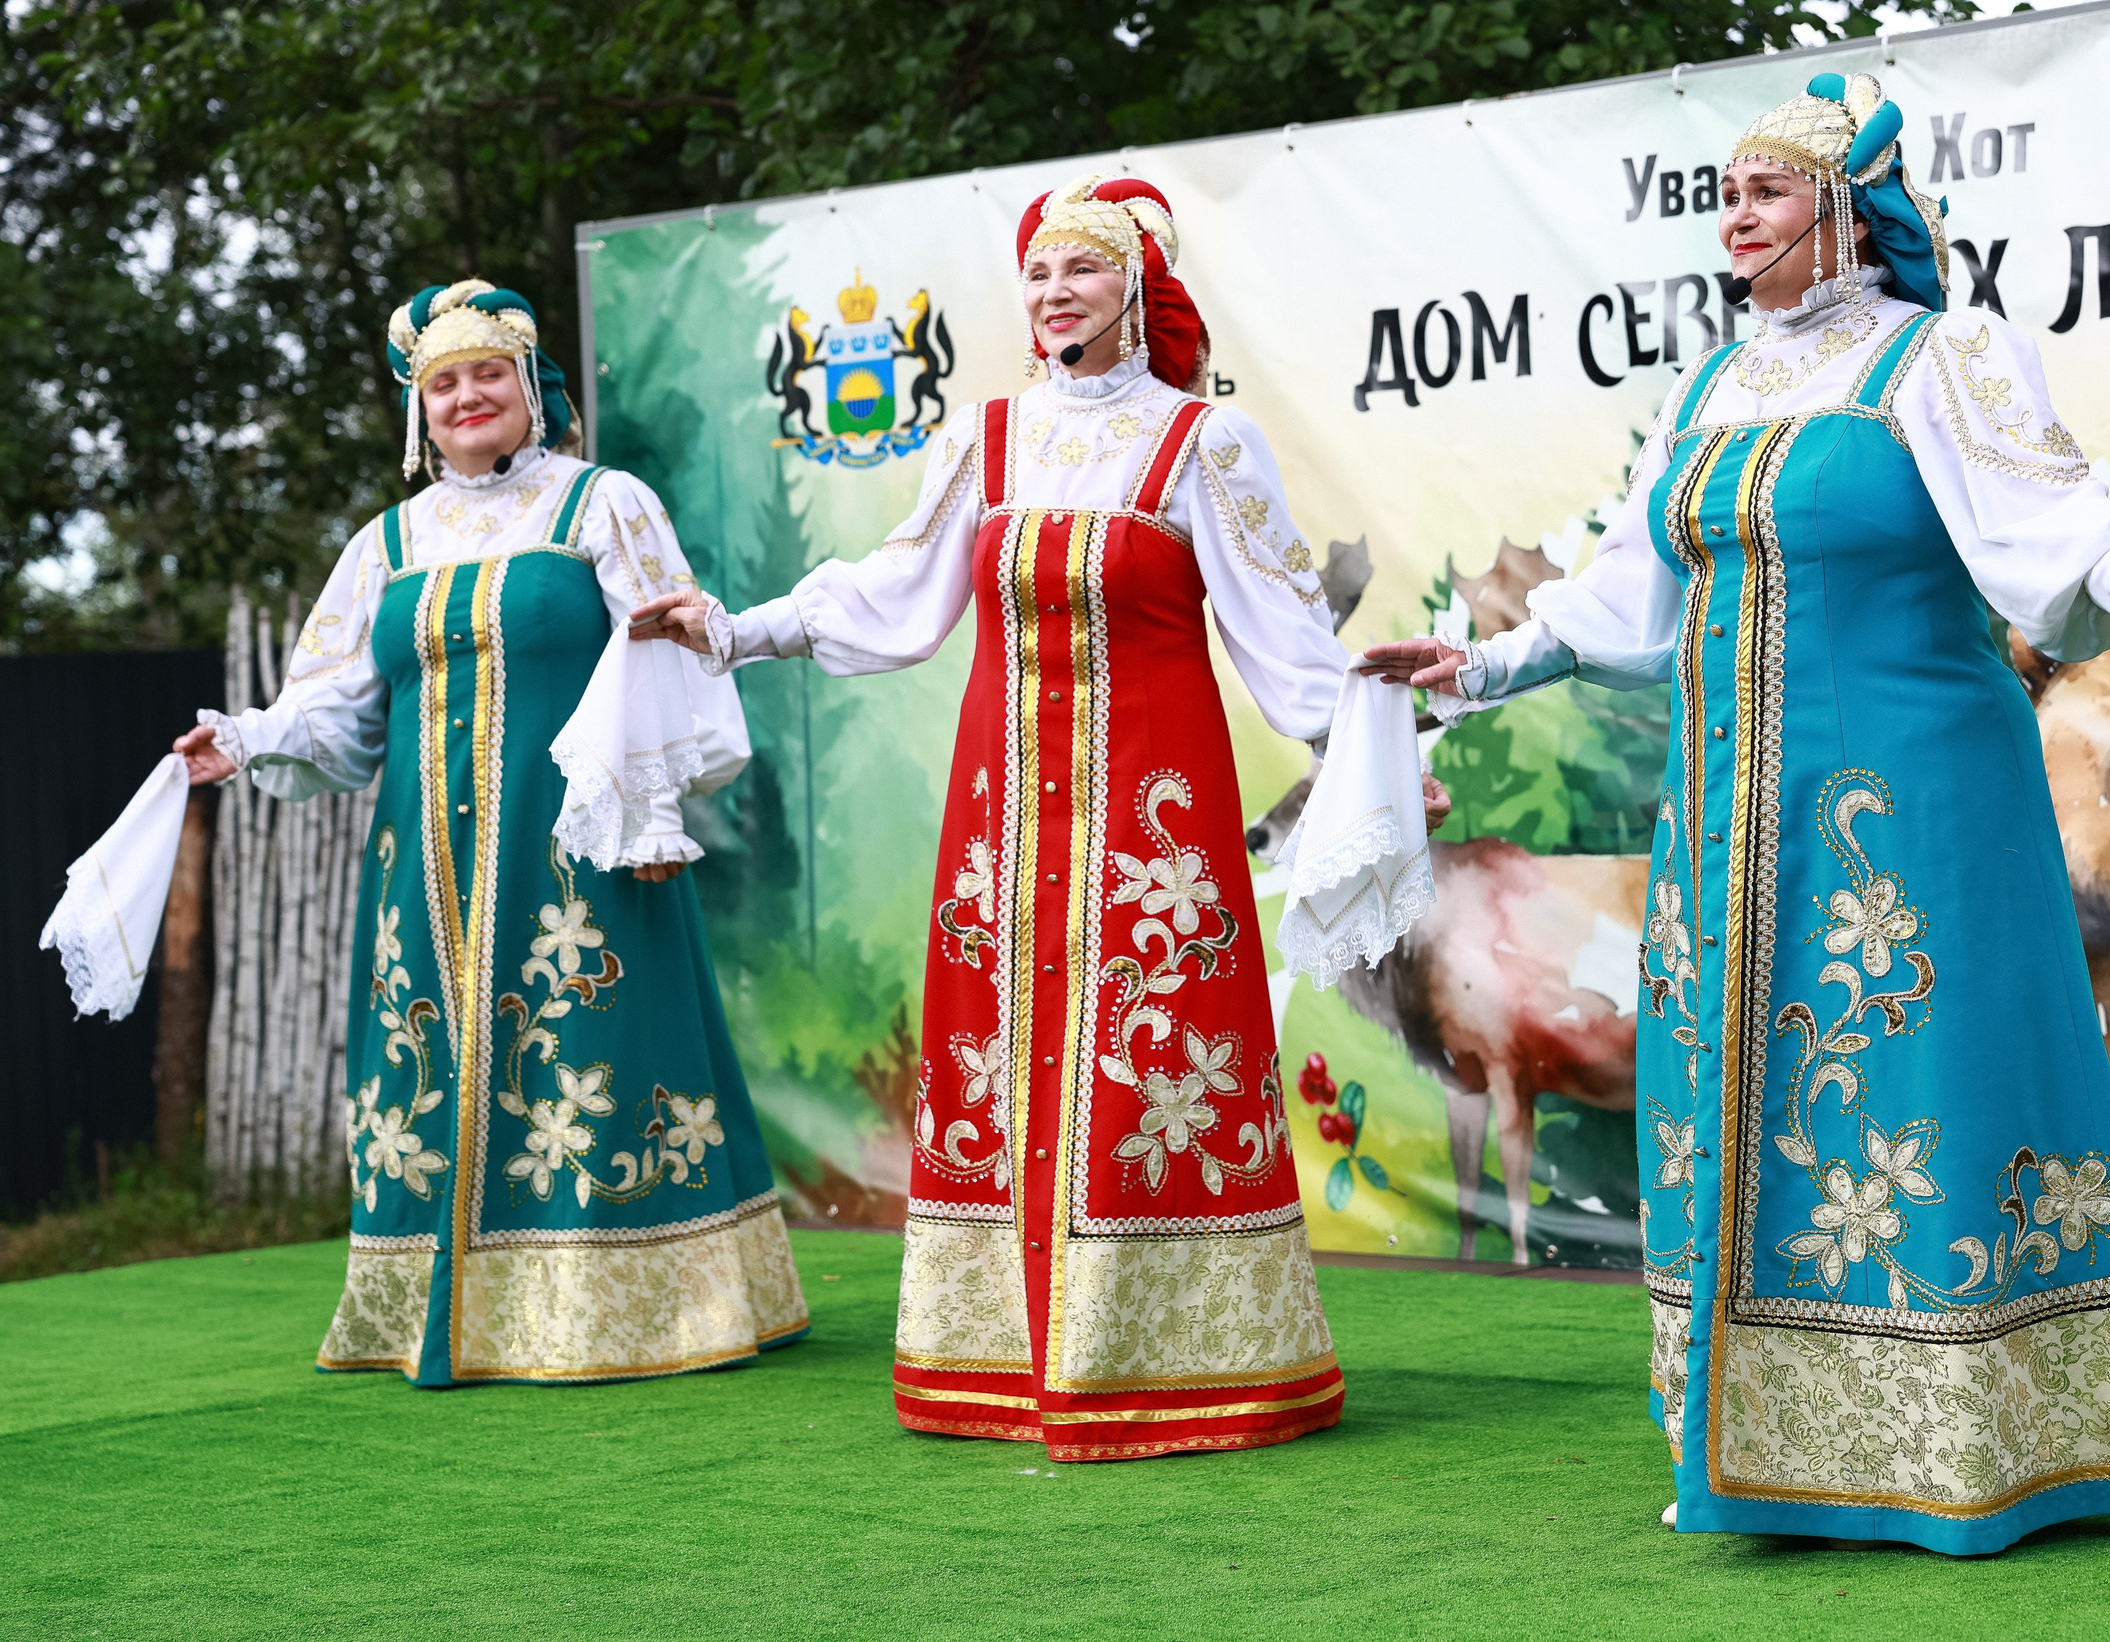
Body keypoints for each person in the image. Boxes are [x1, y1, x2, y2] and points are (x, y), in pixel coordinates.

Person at [1363, 75, 2110, 1553]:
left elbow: (2055, 523)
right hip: (1729, 813)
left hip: (1912, 800)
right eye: (1725, 193)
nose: (1737, 214)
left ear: (1848, 214)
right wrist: (1478, 665)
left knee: (1922, 1087)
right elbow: (1629, 591)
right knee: (1728, 1092)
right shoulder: (1715, 382)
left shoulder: (1938, 354)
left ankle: (1969, 1439)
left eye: (1770, 190)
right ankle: (1767, 1436)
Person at [633, 175, 1444, 1460]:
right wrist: (734, 630)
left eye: (1082, 270)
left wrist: (1378, 754)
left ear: (1136, 288)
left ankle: (1181, 1361)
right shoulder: (990, 438)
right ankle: (1000, 1360)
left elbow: (1286, 639)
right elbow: (896, 588)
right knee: (997, 1055)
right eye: (1040, 272)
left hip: (1150, 825)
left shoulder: (1200, 444)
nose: (1055, 292)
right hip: (1001, 820)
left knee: (1157, 1055)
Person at [172, 280, 809, 1385]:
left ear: (531, 389)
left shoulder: (604, 504)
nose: (468, 396)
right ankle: (435, 1309)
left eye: (488, 374)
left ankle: (639, 1310)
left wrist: (654, 812)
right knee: (429, 1062)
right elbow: (337, 702)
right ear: (419, 410)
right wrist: (248, 738)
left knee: (596, 1057)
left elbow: (670, 647)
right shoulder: (388, 540)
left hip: (582, 848)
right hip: (421, 864)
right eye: (444, 382)